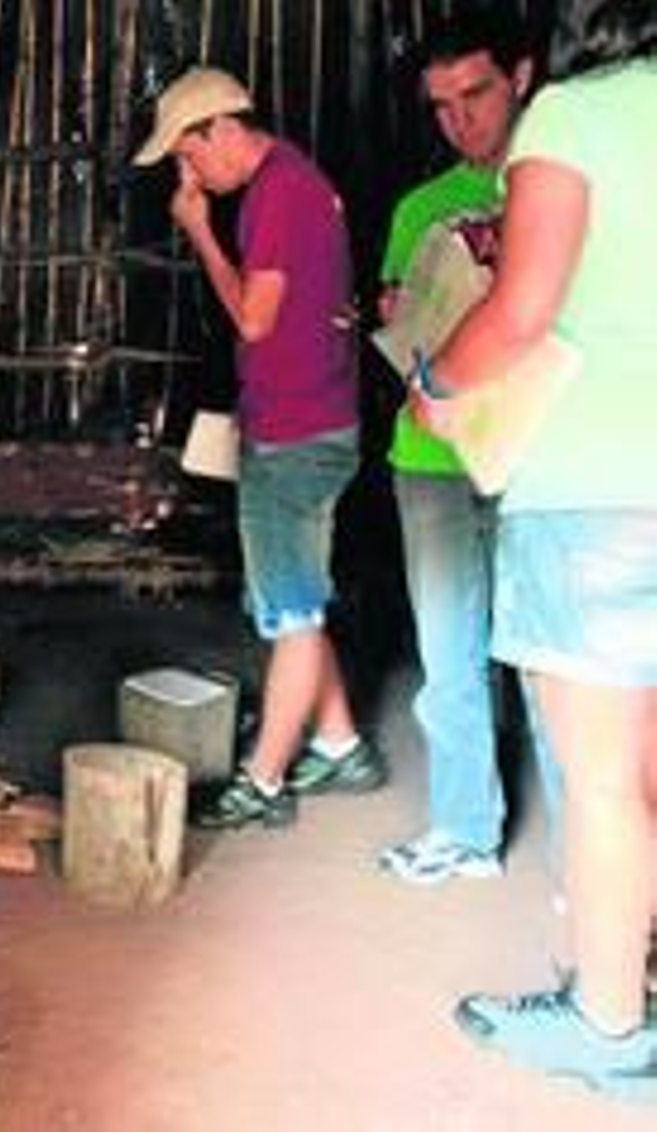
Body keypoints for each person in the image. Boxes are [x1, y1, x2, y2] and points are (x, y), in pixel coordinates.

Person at [416, 0, 657, 1096]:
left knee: (602, 780)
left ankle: (609, 1027)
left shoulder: (573, 117)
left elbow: (518, 313)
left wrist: (433, 382)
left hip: (596, 491)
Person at [133, 68, 384, 829]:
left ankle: (264, 783)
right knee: (295, 596)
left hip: (297, 435)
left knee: (294, 614)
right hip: (307, 419)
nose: (190, 174)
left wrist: (201, 231)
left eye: (187, 155)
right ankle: (341, 743)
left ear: (220, 130)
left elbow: (253, 318)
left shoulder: (278, 193)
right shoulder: (298, 183)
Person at [375, 7, 550, 885]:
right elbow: (402, 327)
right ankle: (466, 830)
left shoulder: (561, 188)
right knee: (449, 655)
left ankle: (598, 865)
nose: (460, 119)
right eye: (441, 104)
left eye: (476, 93)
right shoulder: (420, 209)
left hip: (541, 463)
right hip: (433, 463)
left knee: (558, 666)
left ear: (520, 76)